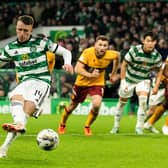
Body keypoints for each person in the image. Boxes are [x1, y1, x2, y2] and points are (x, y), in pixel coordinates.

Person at [0, 15, 73, 158]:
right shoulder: (10, 48)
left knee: (26, 107)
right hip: (24, 82)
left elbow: (66, 52)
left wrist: (68, 62)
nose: (22, 33)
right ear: (16, 28)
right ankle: (11, 137)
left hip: (41, 82)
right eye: (19, 29)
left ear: (31, 30)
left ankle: (8, 141)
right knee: (14, 96)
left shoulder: (41, 43)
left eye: (26, 31)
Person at [57, 35, 120, 136]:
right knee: (72, 106)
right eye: (100, 45)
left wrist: (113, 73)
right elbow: (77, 69)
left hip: (97, 83)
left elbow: (117, 56)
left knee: (96, 104)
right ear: (95, 45)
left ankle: (87, 126)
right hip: (81, 83)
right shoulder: (87, 52)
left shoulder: (111, 54)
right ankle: (62, 124)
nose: (102, 48)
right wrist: (91, 75)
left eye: (105, 45)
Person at [110, 31, 163, 135]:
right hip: (129, 79)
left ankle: (139, 128)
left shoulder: (156, 56)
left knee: (143, 100)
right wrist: (123, 81)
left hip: (143, 79)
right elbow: (124, 64)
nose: (150, 43)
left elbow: (159, 70)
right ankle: (115, 126)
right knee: (122, 103)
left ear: (155, 42)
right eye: (148, 41)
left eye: (153, 41)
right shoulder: (134, 50)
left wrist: (156, 86)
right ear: (143, 41)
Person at [144, 62, 168, 134]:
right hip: (159, 88)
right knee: (152, 110)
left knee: (164, 106)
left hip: (163, 87)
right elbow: (163, 71)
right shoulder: (163, 65)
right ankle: (141, 124)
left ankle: (149, 124)